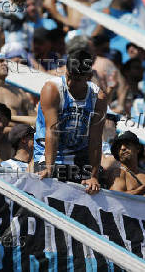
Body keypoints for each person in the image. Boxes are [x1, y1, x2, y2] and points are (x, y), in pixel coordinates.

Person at [34, 48, 107, 195]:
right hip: (48, 153)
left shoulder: (98, 98)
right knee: (46, 186)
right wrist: (49, 167)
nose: (70, 82)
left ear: (89, 76)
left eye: (77, 79)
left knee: (93, 189)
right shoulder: (52, 89)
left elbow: (95, 139)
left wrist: (93, 176)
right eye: (69, 76)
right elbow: (52, 131)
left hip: (79, 157)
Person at [109, 131, 145, 197]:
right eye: (119, 147)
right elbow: (117, 198)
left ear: (138, 148)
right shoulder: (117, 173)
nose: (122, 148)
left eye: (127, 144)